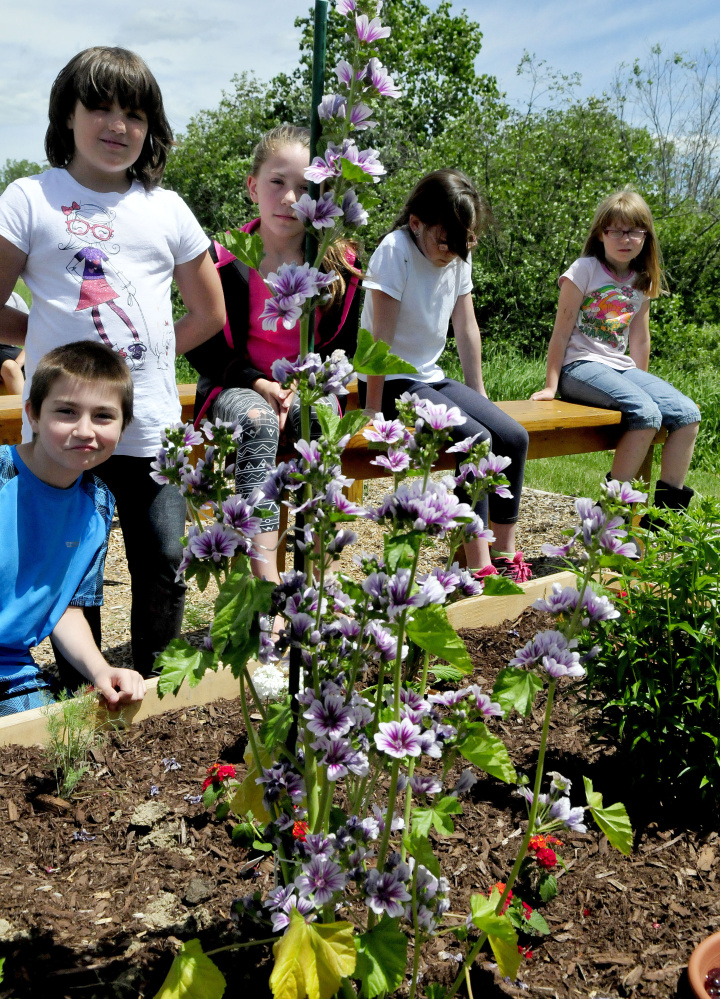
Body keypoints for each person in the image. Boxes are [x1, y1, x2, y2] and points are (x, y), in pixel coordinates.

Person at [0, 47, 225, 677]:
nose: (117, 125)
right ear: (66, 116)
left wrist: (142, 355)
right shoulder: (29, 198)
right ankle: (84, 688)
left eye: (134, 112)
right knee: (73, 568)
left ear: (150, 127)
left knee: (165, 557)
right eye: (99, 107)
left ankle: (155, 682)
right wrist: (42, 332)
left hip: (149, 424)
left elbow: (209, 315)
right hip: (62, 425)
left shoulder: (167, 207)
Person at [186, 124, 361, 584]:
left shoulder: (337, 268)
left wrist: (300, 387)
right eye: (277, 182)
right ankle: (261, 575)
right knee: (258, 422)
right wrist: (261, 384)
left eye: (305, 188)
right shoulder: (223, 259)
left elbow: (341, 351)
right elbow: (203, 348)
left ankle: (320, 575)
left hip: (308, 385)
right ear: (253, 186)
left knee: (322, 417)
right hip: (234, 384)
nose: (289, 198)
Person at [358, 168, 531, 580]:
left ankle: (504, 553)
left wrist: (480, 394)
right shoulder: (395, 250)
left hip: (430, 376)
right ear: (416, 223)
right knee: (478, 439)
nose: (451, 251)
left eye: (463, 242)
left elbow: (466, 328)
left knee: (512, 436)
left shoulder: (456, 254)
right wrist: (371, 410)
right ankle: (479, 565)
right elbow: (378, 337)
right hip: (391, 382)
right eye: (444, 240)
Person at [530, 188, 700, 516]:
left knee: (688, 414)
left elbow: (639, 341)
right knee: (646, 414)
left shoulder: (641, 281)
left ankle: (666, 518)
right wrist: (551, 385)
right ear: (601, 234)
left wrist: (641, 383)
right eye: (617, 230)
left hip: (619, 369)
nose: (626, 239)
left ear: (646, 237)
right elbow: (561, 331)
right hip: (578, 367)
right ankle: (608, 515)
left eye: (635, 231)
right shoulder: (583, 271)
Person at [0, 341, 147, 717]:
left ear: (123, 426)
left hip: (11, 668)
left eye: (103, 416)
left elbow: (66, 608)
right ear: (32, 414)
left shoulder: (98, 507)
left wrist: (101, 669)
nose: (84, 430)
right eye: (66, 411)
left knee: (51, 748)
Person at [0, 292, 27, 394]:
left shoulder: (15, 297)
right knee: (10, 367)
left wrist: (18, 363)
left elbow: (33, 336)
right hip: (4, 354)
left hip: (13, 351)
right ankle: (22, 409)